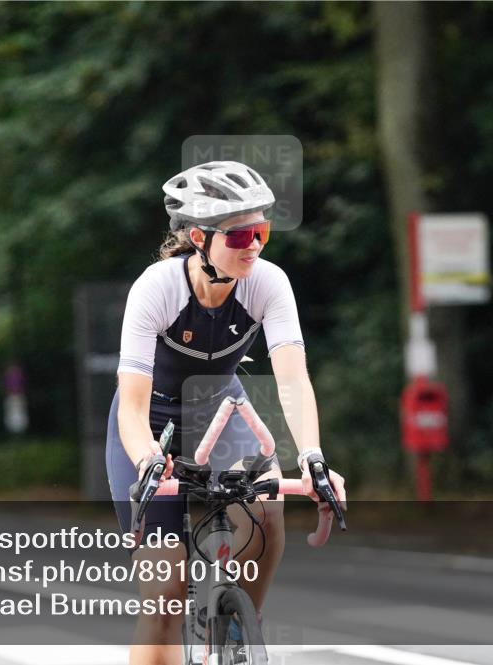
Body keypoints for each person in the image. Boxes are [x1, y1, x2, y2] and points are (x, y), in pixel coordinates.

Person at [105, 160, 347, 665]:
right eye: (239, 237)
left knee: (267, 508)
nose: (254, 246)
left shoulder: (267, 283)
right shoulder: (157, 289)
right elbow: (130, 404)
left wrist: (312, 457)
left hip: (220, 412)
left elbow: (293, 380)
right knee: (166, 599)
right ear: (199, 237)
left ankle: (239, 637)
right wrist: (149, 458)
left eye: (261, 232)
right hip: (152, 425)